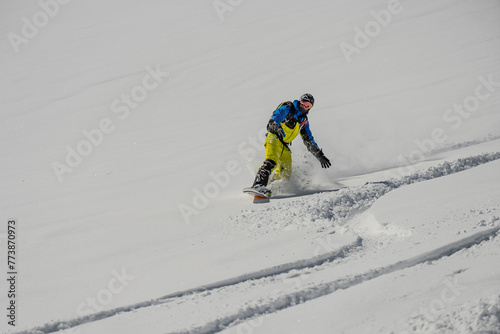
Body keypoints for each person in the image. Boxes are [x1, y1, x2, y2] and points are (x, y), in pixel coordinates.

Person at [250, 93, 331, 197]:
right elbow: (275, 117)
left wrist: (319, 155)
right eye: (304, 103)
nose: (305, 107)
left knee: (286, 172)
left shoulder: (303, 121)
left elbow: (308, 140)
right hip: (274, 137)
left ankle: (271, 184)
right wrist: (274, 125)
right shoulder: (288, 108)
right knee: (272, 160)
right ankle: (258, 185)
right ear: (300, 102)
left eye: (308, 105)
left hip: (284, 145)